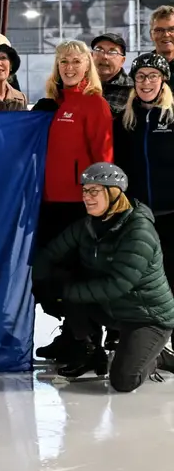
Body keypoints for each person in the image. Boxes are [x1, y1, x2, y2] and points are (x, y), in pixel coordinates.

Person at [33, 163, 174, 390]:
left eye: (94, 191)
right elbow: (51, 253)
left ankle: (156, 357)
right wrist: (34, 282)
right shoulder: (88, 225)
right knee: (63, 279)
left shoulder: (138, 231)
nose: (87, 197)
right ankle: (90, 350)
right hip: (113, 309)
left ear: (114, 193)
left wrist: (62, 292)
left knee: (124, 381)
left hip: (146, 317)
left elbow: (117, 285)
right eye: (85, 191)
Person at [33, 40, 114, 361]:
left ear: (87, 67)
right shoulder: (57, 103)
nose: (69, 67)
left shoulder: (94, 104)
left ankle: (88, 342)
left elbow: (103, 157)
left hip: (79, 205)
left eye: (76, 62)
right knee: (57, 274)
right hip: (51, 203)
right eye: (64, 61)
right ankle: (71, 334)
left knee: (79, 274)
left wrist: (99, 203)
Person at [114, 53, 174, 287]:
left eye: (153, 76)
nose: (146, 82)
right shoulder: (125, 121)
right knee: (143, 280)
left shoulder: (171, 117)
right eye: (140, 76)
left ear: (163, 81)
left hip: (171, 214)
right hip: (137, 216)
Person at [91, 32, 132, 117]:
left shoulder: (132, 90)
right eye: (99, 50)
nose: (105, 56)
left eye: (112, 52)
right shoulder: (79, 85)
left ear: (122, 61)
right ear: (91, 56)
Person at [149, 5, 174, 82]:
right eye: (159, 30)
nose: (166, 34)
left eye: (172, 29)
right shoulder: (140, 66)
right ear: (151, 35)